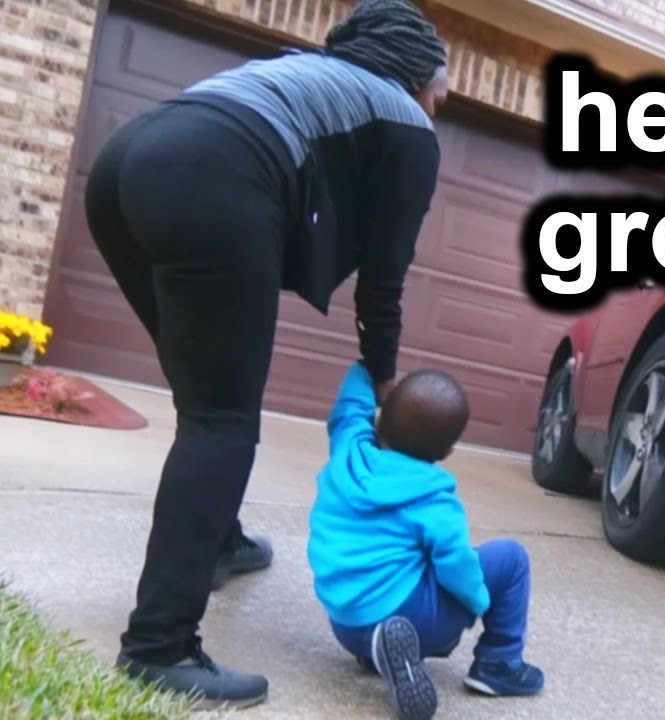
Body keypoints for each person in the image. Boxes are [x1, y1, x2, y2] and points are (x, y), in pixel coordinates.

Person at [83, 0, 451, 708]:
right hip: (211, 173)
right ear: (416, 79)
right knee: (221, 420)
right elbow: (384, 278)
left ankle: (220, 542)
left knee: (205, 405)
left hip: (127, 161)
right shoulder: (407, 122)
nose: (440, 109)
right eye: (441, 94)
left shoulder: (310, 75)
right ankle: (158, 646)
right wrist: (384, 380)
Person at [308, 361, 544, 720]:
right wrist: (478, 603)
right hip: (413, 618)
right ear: (446, 452)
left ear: (380, 418)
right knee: (511, 559)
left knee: (399, 568)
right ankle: (499, 664)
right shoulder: (433, 497)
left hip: (346, 624)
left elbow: (350, 404)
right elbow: (457, 566)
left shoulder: (348, 449)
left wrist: (372, 367)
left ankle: (381, 651)